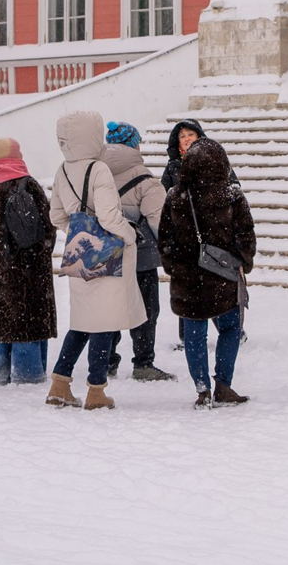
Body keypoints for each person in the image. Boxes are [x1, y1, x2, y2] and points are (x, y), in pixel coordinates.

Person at [45, 111, 143, 410]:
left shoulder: (63, 169)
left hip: (79, 252)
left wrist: (77, 231)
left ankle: (60, 382)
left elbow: (56, 216)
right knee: (104, 322)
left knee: (83, 321)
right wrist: (129, 236)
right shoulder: (99, 168)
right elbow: (110, 217)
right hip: (107, 253)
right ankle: (96, 390)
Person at [157, 134, 255, 407]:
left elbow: (164, 237)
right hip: (223, 275)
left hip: (187, 278)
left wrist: (174, 266)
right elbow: (246, 234)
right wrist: (243, 261)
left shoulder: (176, 196)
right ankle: (223, 384)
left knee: (194, 334)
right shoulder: (232, 194)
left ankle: (202, 389)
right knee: (231, 328)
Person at [101, 123, 173, 382]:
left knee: (108, 309)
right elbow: (158, 223)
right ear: (134, 144)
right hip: (139, 256)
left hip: (104, 253)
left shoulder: (96, 173)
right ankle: (143, 363)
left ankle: (106, 361)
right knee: (145, 309)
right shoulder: (145, 180)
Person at [0, 137, 55, 386]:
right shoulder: (28, 184)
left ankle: (3, 371)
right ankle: (29, 373)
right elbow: (47, 224)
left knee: (7, 315)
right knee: (30, 316)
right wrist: (42, 249)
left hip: (5, 262)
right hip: (32, 263)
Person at [160, 119, 205, 190]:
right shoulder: (173, 165)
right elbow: (162, 193)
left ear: (199, 137)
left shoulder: (212, 159)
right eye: (182, 136)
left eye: (191, 134)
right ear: (179, 142)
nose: (187, 139)